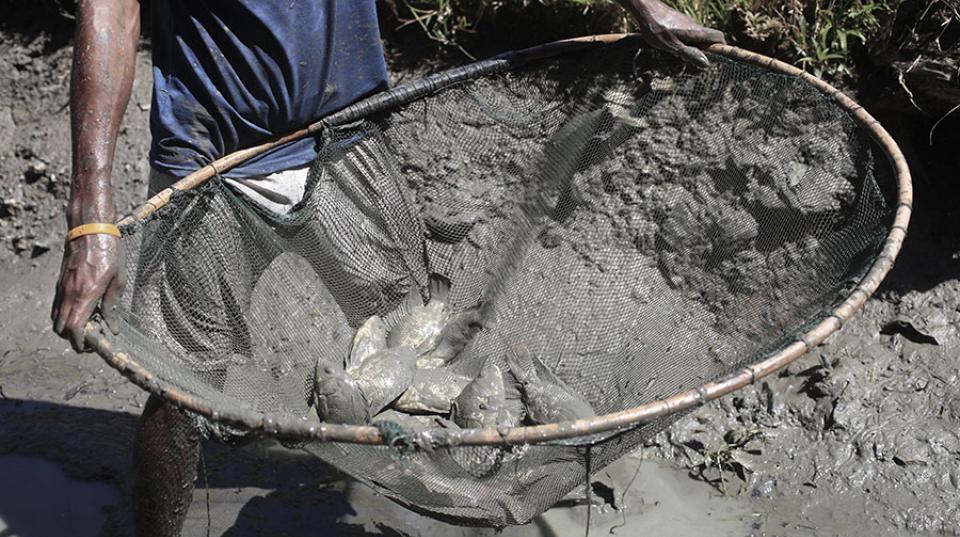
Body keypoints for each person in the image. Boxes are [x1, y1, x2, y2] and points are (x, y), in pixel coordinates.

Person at [51, 1, 724, 535]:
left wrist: (643, 5)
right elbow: (109, 8)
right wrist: (92, 214)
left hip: (346, 134)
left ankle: (448, 506)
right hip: (210, 154)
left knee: (417, 342)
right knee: (180, 391)